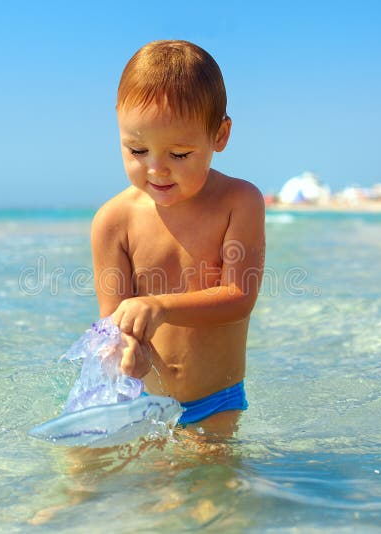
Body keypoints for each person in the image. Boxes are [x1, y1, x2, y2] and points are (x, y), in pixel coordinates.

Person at [91, 40, 265, 435]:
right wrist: (125, 351)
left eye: (179, 155)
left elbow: (239, 297)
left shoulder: (239, 202)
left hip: (214, 400)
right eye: (137, 150)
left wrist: (161, 306)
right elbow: (112, 323)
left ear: (219, 136)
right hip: (141, 402)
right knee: (94, 484)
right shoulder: (113, 221)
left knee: (212, 491)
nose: (156, 169)